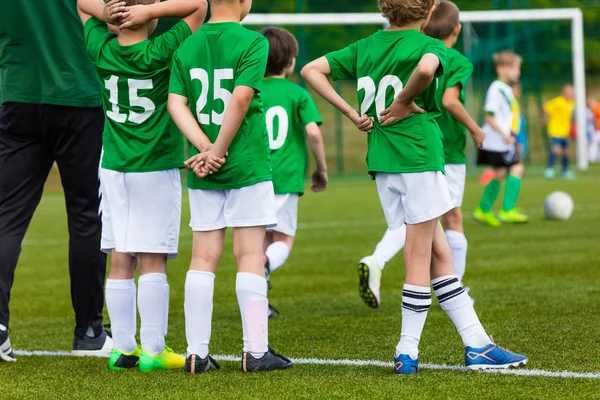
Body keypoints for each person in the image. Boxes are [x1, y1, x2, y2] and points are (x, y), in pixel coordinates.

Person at [302, 0, 527, 375]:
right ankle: (407, 351)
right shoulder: (431, 46)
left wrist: (350, 113)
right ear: (430, 9)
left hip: (383, 161)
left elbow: (311, 70)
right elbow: (425, 69)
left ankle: (478, 344)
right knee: (420, 255)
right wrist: (405, 100)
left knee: (440, 255)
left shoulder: (365, 46)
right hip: (418, 157)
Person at [77, 0, 207, 371]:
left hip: (114, 167)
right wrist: (152, 11)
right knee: (152, 258)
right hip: (154, 166)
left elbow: (81, 4)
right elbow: (199, 7)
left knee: (120, 256)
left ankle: (122, 349)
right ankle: (153, 350)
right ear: (147, 16)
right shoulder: (162, 49)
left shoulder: (101, 47)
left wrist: (108, 14)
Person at [168, 0, 292, 374]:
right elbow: (241, 97)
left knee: (202, 257)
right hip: (246, 165)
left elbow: (176, 103)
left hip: (204, 170)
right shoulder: (253, 42)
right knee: (250, 255)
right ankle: (255, 352)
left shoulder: (187, 44)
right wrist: (218, 150)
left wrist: (204, 150)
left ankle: (196, 353)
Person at [0, 0, 111, 362]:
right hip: (79, 92)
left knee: (6, 218)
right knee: (86, 215)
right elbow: (116, 17)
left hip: (17, 92)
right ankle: (89, 332)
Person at [355, 0, 484, 308]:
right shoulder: (450, 57)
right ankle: (452, 289)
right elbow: (450, 100)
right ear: (457, 29)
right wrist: (475, 129)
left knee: (421, 222)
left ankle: (381, 263)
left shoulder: (392, 47)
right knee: (443, 220)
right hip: (438, 150)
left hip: (392, 150)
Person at [259, 27, 328, 317]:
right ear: (290, 62)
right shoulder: (297, 93)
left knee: (259, 238)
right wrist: (321, 169)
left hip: (256, 175)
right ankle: (262, 267)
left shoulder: (251, 90)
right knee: (283, 240)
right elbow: (313, 133)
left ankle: (258, 301)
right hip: (285, 177)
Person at [473, 51, 528, 228]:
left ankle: (484, 210)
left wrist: (511, 134)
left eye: (517, 69)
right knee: (516, 168)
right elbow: (489, 116)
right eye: (513, 68)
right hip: (497, 142)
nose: (517, 72)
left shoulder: (505, 88)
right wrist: (505, 135)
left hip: (502, 141)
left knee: (500, 173)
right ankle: (506, 210)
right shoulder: (497, 88)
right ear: (501, 68)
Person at [543, 84, 575, 180]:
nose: (572, 93)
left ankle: (565, 171)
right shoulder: (558, 101)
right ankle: (549, 170)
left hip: (565, 132)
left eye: (572, 91)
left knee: (567, 152)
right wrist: (544, 118)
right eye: (569, 91)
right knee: (556, 149)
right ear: (564, 92)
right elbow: (545, 107)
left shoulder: (571, 103)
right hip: (555, 130)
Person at [513, 82, 529, 159]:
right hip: (512, 132)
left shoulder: (515, 102)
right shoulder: (509, 102)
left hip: (518, 131)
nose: (519, 91)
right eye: (517, 89)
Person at [588, 95, 600, 163]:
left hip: (598, 130)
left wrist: (594, 121)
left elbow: (594, 119)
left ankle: (591, 158)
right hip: (597, 130)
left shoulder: (596, 107)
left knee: (594, 143)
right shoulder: (596, 107)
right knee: (594, 144)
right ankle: (593, 158)